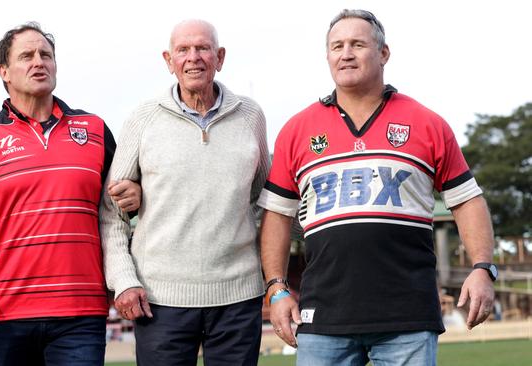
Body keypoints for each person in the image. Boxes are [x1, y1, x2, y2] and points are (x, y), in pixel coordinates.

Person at [258, 9, 496, 365]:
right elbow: (277, 217)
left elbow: (467, 202)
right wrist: (277, 289)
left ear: (384, 53)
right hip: (323, 315)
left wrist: (482, 267)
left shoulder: (427, 123)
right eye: (337, 46)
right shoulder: (297, 130)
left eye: (357, 44)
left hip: (407, 316)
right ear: (327, 57)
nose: (346, 53)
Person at [0, 22, 140, 366]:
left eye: (46, 55)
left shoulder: (96, 130)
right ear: (4, 72)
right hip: (8, 315)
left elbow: (123, 205)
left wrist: (136, 193)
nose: (39, 62)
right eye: (26, 56)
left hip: (81, 313)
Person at [100, 19, 270, 366]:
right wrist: (123, 280)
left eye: (203, 48)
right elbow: (111, 212)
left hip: (238, 299)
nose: (194, 58)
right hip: (160, 301)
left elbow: (267, 202)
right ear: (168, 60)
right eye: (183, 50)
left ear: (219, 57)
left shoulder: (250, 116)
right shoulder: (143, 118)